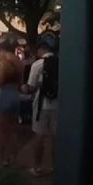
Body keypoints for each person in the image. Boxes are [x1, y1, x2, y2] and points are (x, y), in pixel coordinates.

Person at [22, 41, 57, 177]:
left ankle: (37, 167)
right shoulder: (61, 62)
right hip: (58, 105)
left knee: (39, 135)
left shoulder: (37, 65)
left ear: (41, 49)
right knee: (55, 137)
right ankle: (57, 166)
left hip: (41, 105)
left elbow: (31, 87)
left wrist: (25, 88)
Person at [0, 40, 23, 167]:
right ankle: (14, 159)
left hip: (5, 94)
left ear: (3, 49)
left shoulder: (5, 62)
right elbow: (21, 82)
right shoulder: (19, 62)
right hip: (16, 94)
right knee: (13, 130)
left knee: (1, 130)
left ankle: (0, 160)